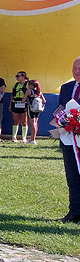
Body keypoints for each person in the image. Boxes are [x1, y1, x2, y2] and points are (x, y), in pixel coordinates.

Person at [57, 57, 80, 223]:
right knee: (72, 178)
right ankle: (74, 212)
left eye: (79, 69)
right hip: (68, 140)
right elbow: (59, 110)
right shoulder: (66, 88)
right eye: (74, 68)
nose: (76, 72)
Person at [9, 71, 31, 142]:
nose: (17, 78)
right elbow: (12, 95)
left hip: (24, 104)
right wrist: (10, 105)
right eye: (16, 76)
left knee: (24, 121)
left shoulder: (28, 84)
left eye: (18, 76)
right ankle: (14, 137)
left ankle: (24, 137)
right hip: (15, 103)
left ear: (23, 77)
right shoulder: (15, 85)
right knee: (15, 121)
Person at [27, 78, 45, 145]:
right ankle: (33, 138)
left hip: (31, 108)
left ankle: (32, 139)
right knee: (35, 123)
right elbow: (44, 101)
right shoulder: (39, 92)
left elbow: (23, 100)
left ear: (31, 85)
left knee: (32, 124)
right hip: (38, 109)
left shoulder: (29, 91)